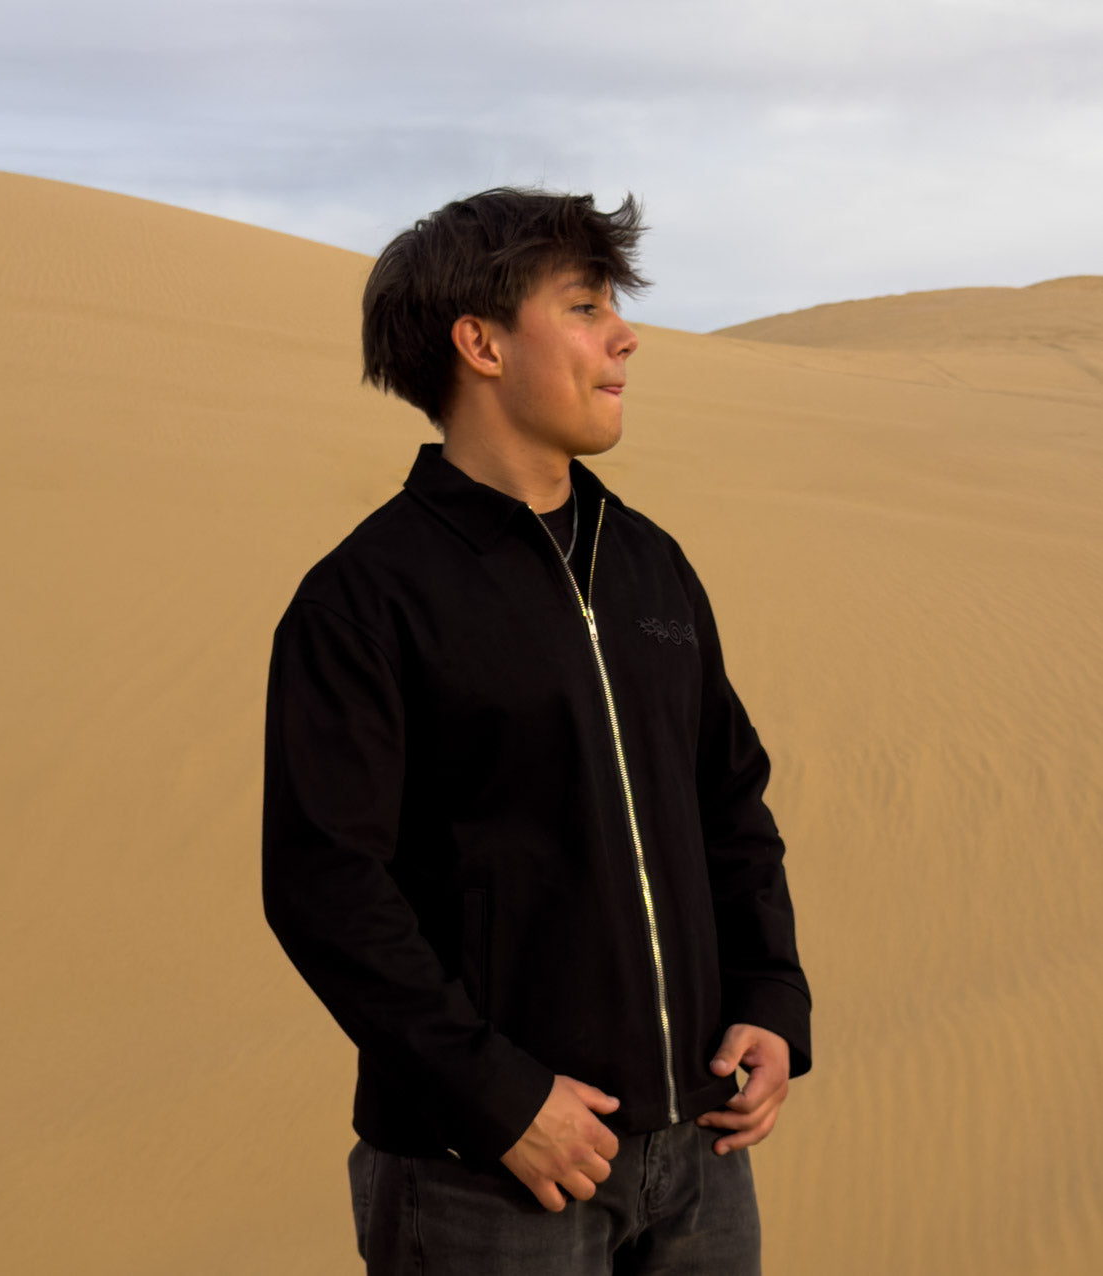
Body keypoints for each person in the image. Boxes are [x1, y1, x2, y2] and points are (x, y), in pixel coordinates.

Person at [262, 187, 811, 1274]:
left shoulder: (650, 563)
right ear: (481, 345)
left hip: (698, 1157)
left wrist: (769, 996)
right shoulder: (366, 599)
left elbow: (728, 800)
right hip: (491, 1175)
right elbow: (326, 885)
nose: (626, 336)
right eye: (584, 307)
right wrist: (498, 1099)